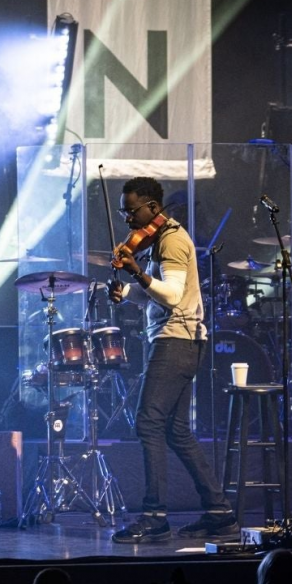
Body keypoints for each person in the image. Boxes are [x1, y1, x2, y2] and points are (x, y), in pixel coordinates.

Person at [107, 176, 238, 543]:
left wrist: (137, 272)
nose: (127, 220)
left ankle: (154, 516)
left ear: (152, 207)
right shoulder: (157, 241)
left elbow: (173, 296)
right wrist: (128, 291)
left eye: (131, 211)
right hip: (178, 340)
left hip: (176, 340)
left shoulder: (172, 240)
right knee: (177, 431)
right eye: (123, 211)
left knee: (148, 423)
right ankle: (219, 513)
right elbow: (154, 294)